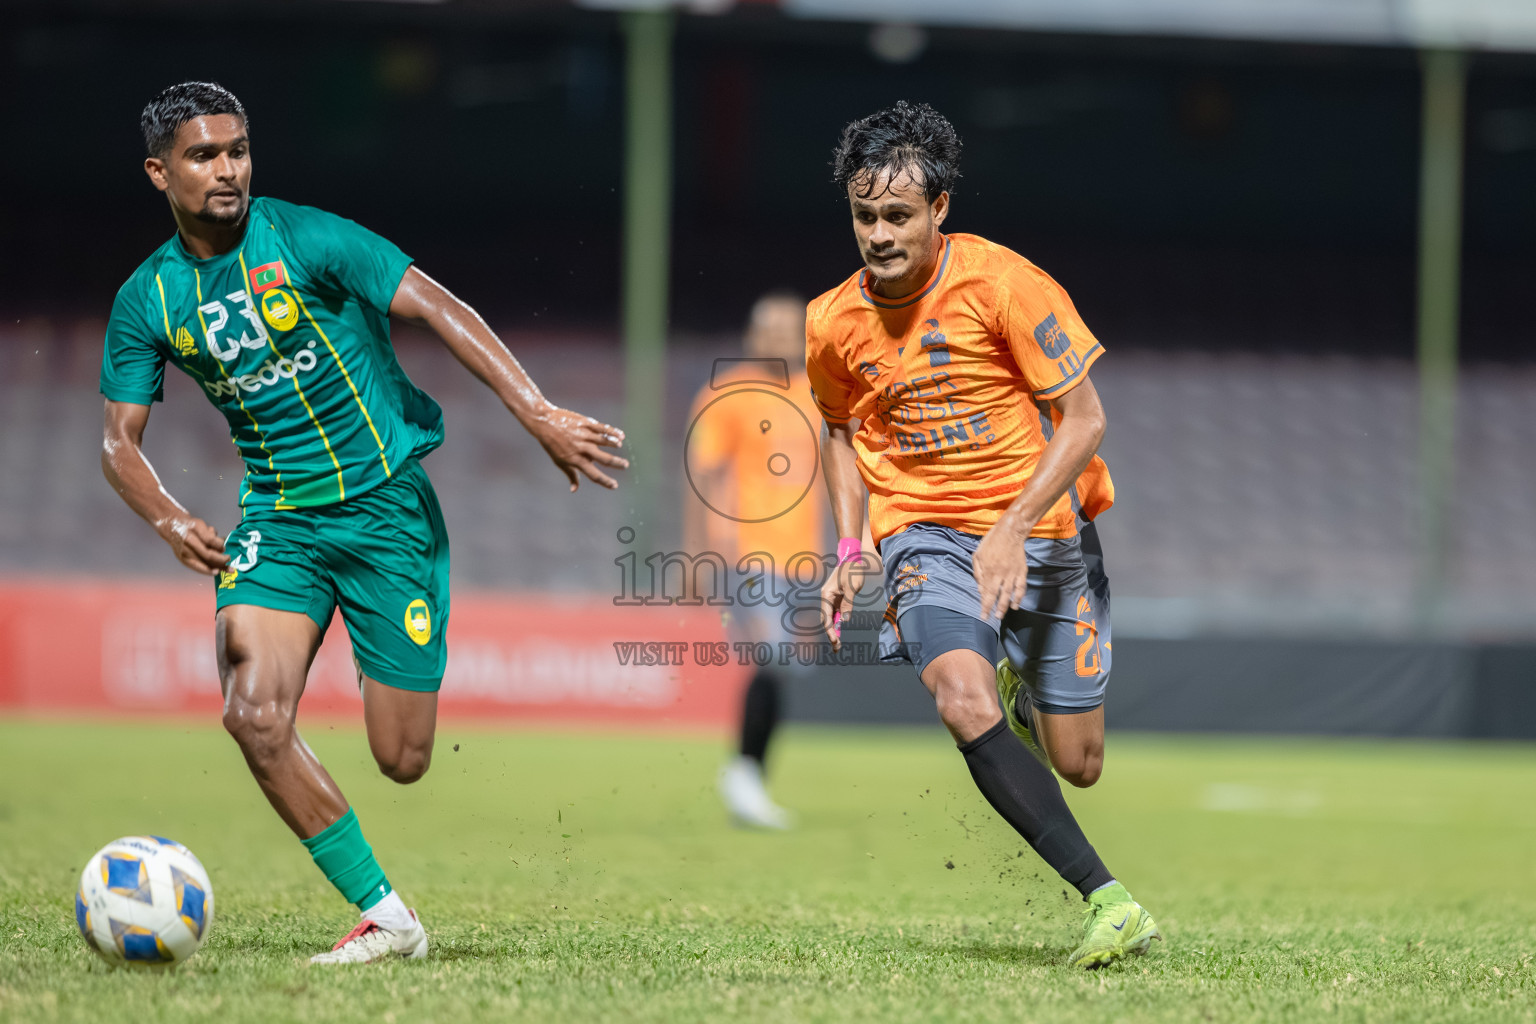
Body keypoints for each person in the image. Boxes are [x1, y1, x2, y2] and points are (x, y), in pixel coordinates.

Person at [99, 82, 627, 964]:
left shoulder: (307, 236)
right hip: (278, 520)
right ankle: (388, 917)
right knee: (253, 714)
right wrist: (165, 516)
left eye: (237, 150)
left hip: (387, 511)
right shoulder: (146, 299)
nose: (227, 169)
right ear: (160, 172)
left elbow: (440, 306)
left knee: (403, 758)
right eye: (203, 155)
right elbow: (118, 443)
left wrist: (536, 411)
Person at [809, 101, 1160, 969]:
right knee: (959, 700)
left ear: (940, 210)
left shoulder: (1004, 284)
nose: (879, 235)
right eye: (864, 216)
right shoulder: (830, 323)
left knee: (1080, 763)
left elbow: (1083, 419)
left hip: (1038, 531)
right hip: (924, 536)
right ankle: (1111, 902)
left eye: (897, 215)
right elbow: (842, 429)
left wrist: (1010, 527)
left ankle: (1025, 693)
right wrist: (852, 551)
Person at [683, 292, 861, 828]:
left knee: (787, 669)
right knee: (774, 655)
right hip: (746, 553)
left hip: (802, 562)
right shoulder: (726, 392)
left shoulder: (820, 393)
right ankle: (742, 775)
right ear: (751, 336)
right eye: (769, 329)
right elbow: (702, 477)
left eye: (789, 329)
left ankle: (751, 775)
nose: (778, 339)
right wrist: (698, 554)